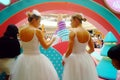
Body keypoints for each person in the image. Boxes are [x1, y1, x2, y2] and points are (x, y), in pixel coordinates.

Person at [11, 10, 59, 80]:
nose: (39, 24)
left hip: (23, 58)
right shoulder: (37, 31)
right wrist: (53, 39)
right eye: (39, 22)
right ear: (34, 20)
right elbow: (46, 46)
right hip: (36, 58)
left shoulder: (21, 30)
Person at [62, 14, 98, 80]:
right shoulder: (88, 33)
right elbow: (92, 49)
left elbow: (70, 50)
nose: (70, 23)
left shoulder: (73, 32)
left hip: (74, 59)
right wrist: (84, 54)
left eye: (71, 21)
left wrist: (64, 59)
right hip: (86, 59)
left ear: (76, 20)